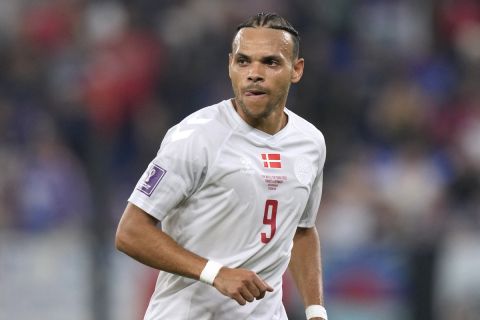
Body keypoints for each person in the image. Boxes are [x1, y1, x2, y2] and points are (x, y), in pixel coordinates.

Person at [115, 12, 327, 320]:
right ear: (230, 65)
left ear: (296, 70)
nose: (254, 73)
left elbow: (303, 231)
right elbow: (130, 232)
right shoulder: (195, 137)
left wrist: (316, 311)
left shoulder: (310, 142)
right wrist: (215, 273)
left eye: (270, 62)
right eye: (244, 61)